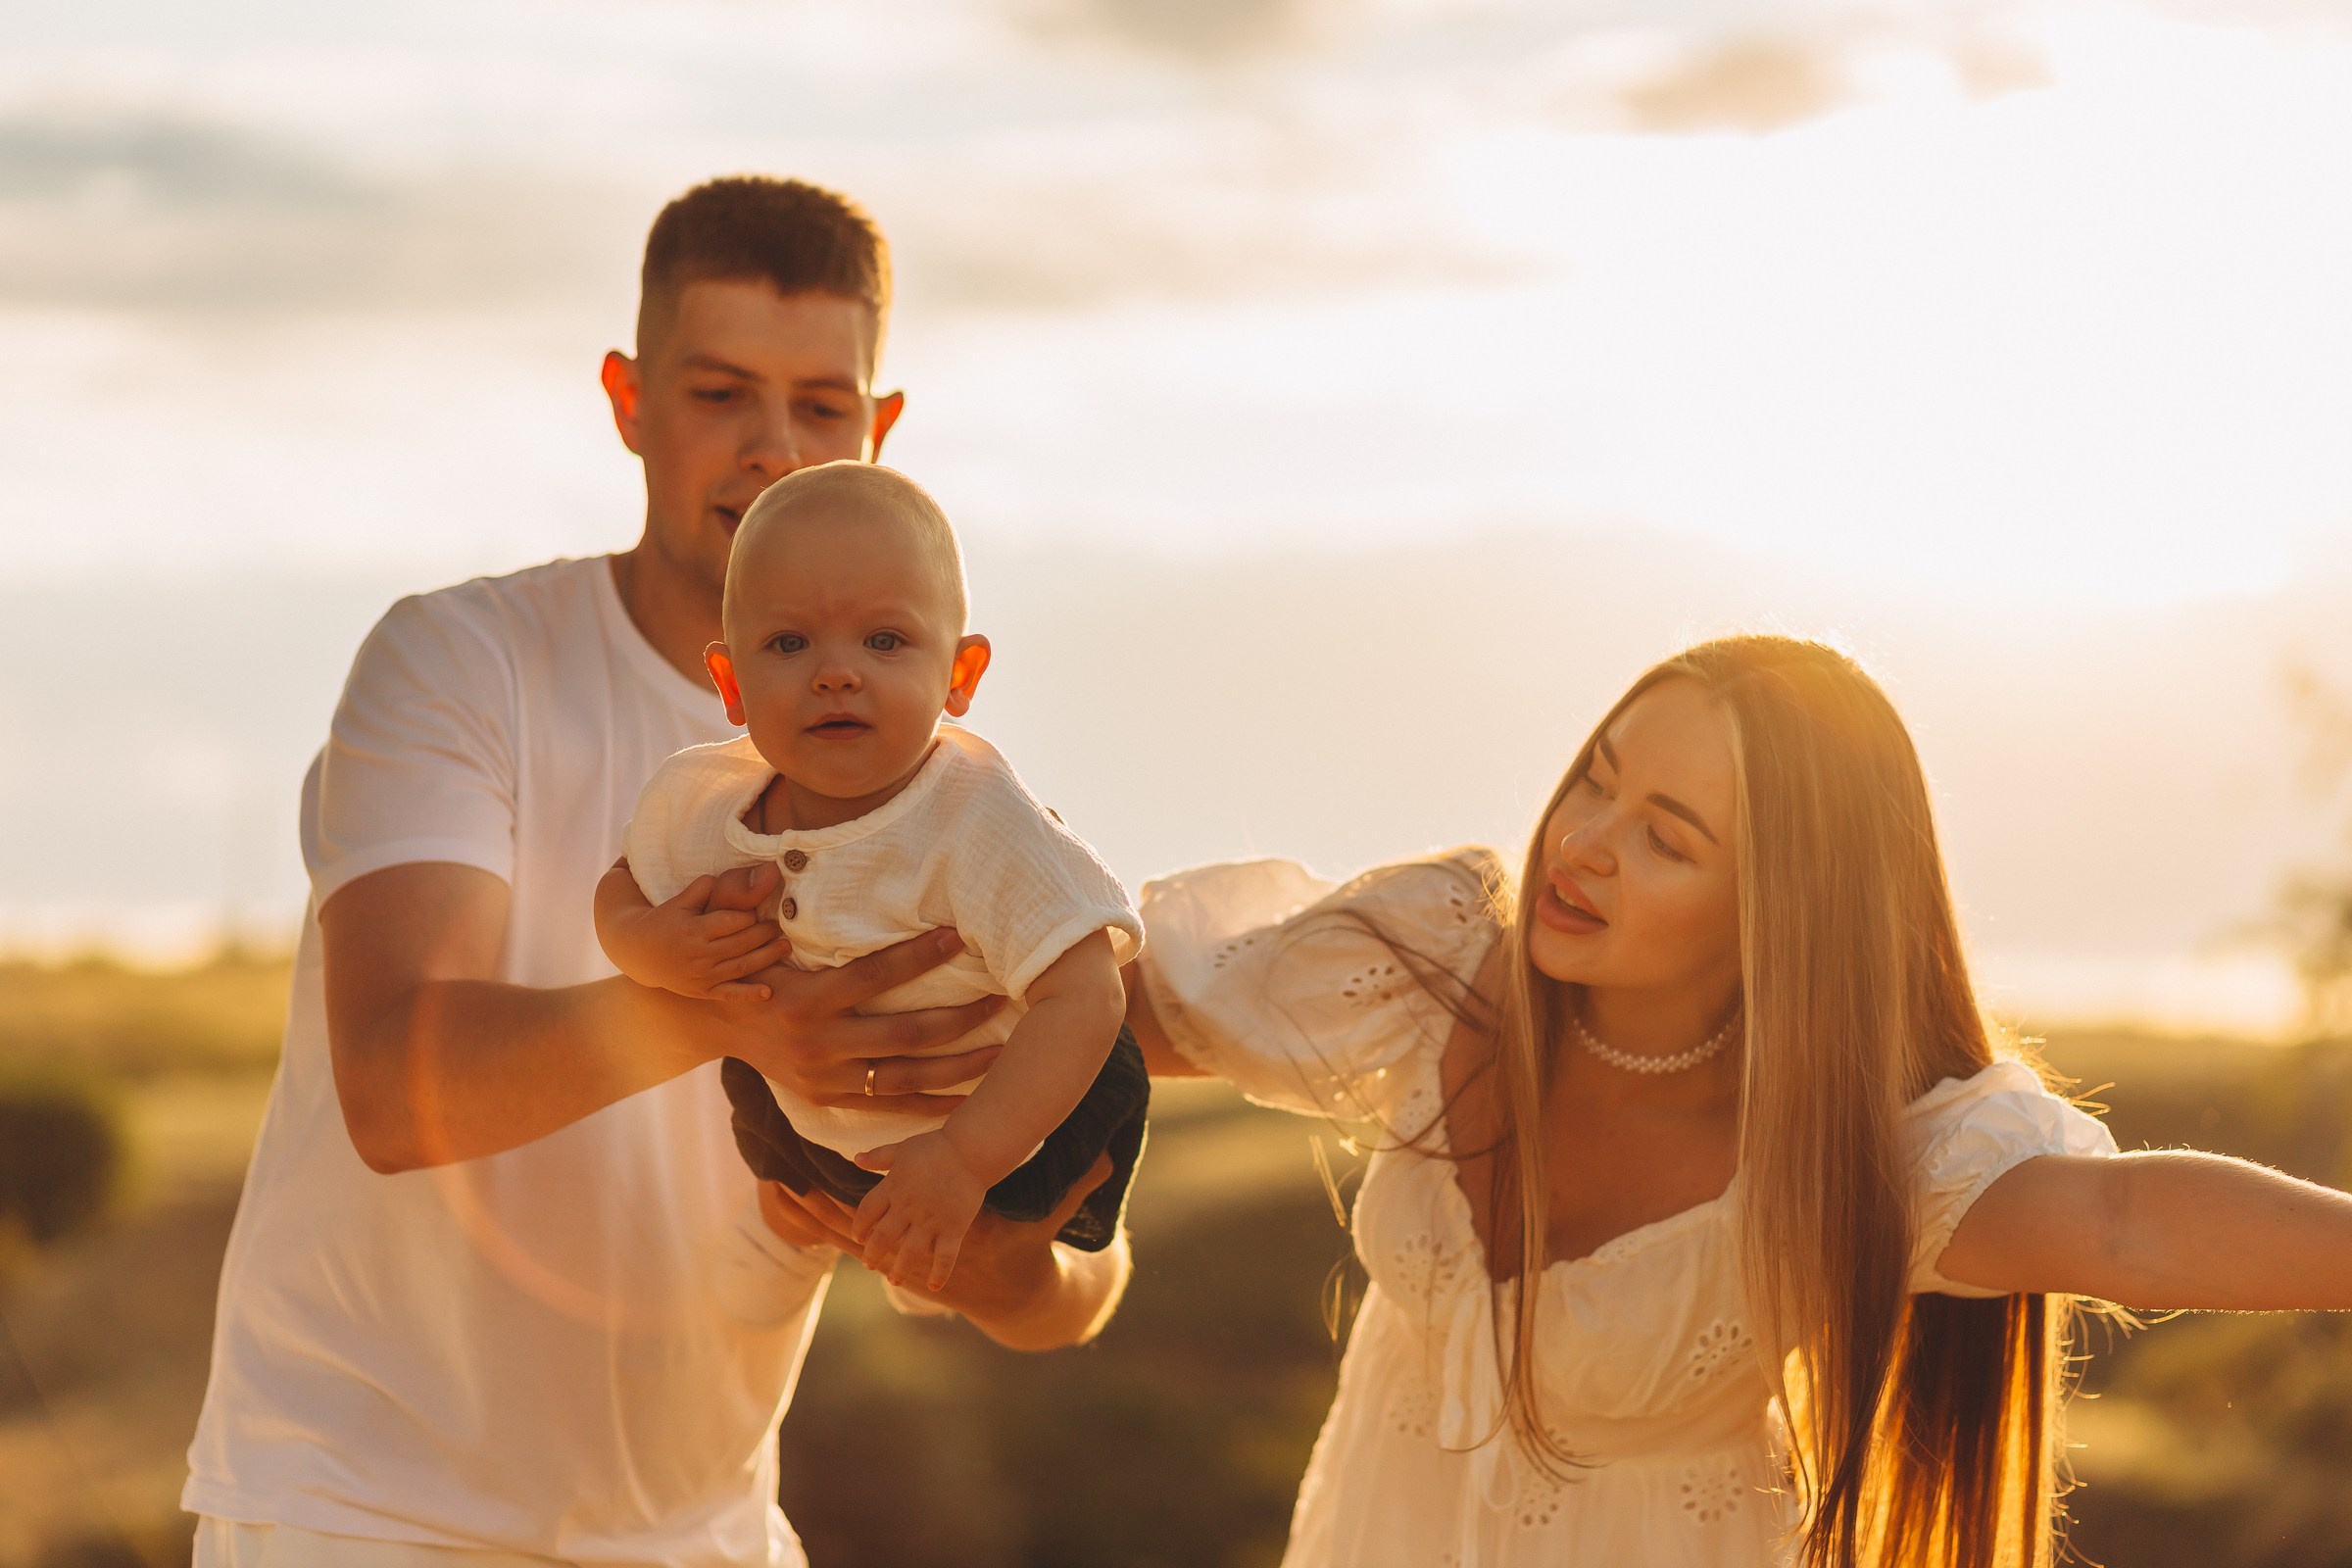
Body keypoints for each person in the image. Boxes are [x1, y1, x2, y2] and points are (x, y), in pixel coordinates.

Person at [182, 176, 1130, 1568]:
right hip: (357, 1502)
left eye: (821, 405)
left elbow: (1079, 1275)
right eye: (719, 393)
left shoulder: (949, 797)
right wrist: (722, 1016)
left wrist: (997, 1257)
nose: (771, 450)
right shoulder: (464, 664)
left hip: (703, 1528)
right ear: (630, 400)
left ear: (881, 428)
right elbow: (392, 1081)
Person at [1124, 634, 2352, 1568]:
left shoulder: (1850, 1155)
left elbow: (2120, 1223)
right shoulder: (1443, 959)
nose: (1586, 841)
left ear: (1780, 912)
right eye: (1598, 782)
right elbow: (1133, 1017)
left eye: (1667, 837)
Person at [596, 461, 1148, 1293]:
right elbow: (622, 887)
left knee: (1016, 1186)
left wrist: (963, 1160)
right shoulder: (704, 800)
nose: (836, 672)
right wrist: (648, 947)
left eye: (884, 640)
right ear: (732, 683)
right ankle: (800, 1224)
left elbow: (1090, 996)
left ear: (959, 676)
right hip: (821, 1112)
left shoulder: (978, 819)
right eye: (789, 643)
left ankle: (931, 1241)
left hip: (1016, 1102)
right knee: (747, 1073)